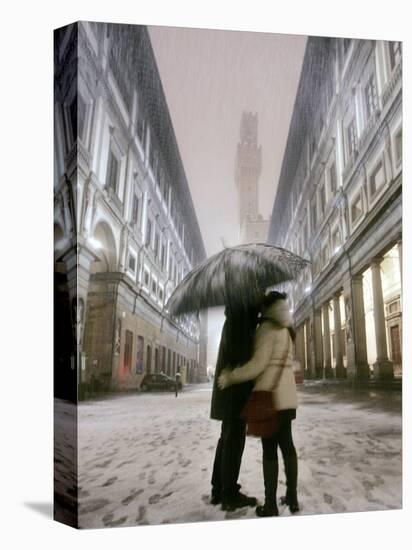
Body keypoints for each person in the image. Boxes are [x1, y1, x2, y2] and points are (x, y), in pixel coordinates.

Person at [218, 291, 300, 517]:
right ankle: (292, 497)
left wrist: (231, 376)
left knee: (270, 450)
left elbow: (258, 365)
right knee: (288, 447)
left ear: (268, 307)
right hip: (288, 397)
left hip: (269, 397)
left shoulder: (266, 328)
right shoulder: (286, 328)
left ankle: (271, 505)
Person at [210, 302, 260, 511]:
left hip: (230, 389)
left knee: (227, 437)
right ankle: (229, 493)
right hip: (235, 390)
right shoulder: (241, 318)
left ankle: (219, 488)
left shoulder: (235, 316)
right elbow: (241, 356)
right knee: (234, 440)